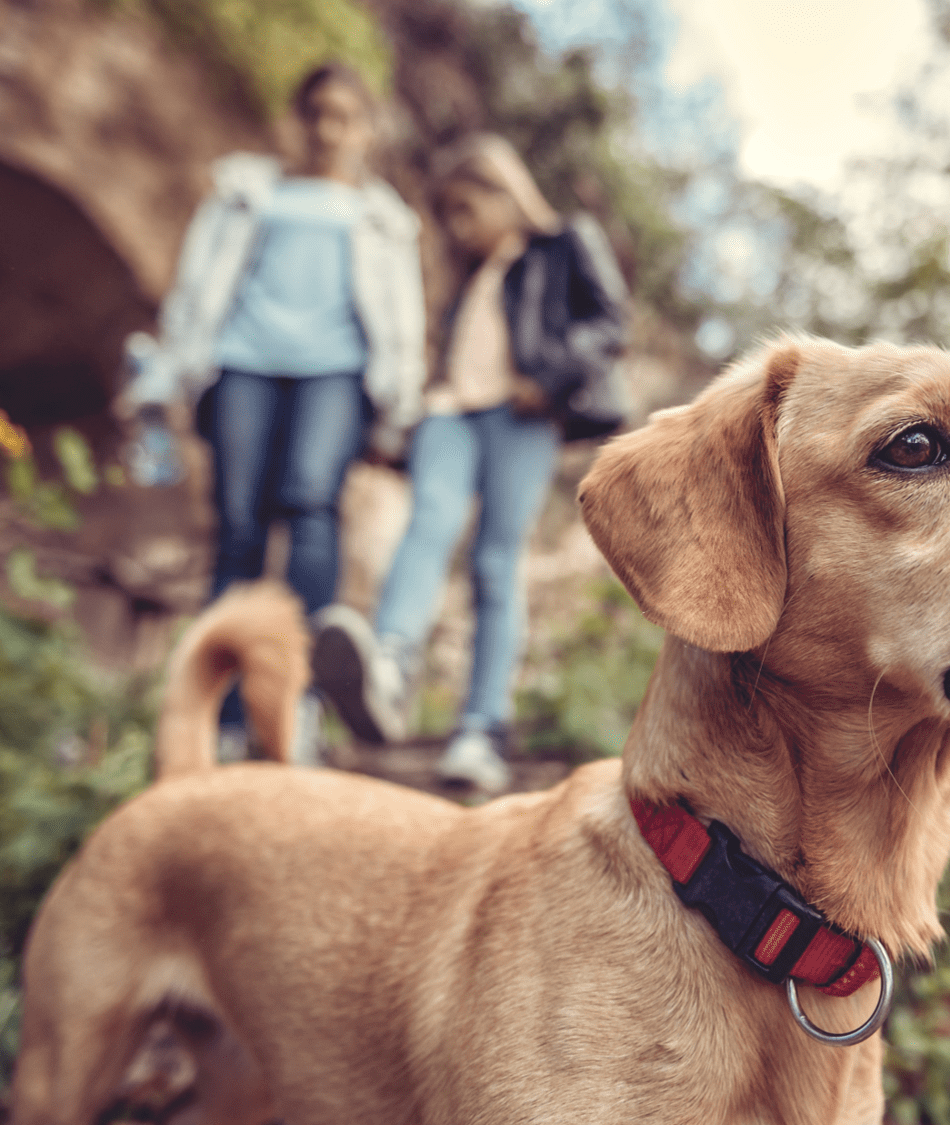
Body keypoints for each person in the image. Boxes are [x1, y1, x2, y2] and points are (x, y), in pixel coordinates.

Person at [119, 62, 426, 765]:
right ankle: (222, 716)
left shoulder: (384, 218)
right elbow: (196, 286)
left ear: (367, 130)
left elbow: (403, 318)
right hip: (242, 364)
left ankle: (298, 707)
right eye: (317, 113)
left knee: (312, 507)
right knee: (238, 527)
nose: (328, 130)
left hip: (337, 374)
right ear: (298, 118)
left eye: (345, 117)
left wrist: (399, 404)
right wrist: (171, 371)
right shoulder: (245, 192)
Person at [311, 133, 629, 793]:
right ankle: (389, 670)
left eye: (466, 209)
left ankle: (482, 729)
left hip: (521, 415)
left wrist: (550, 378)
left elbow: (609, 322)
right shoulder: (470, 278)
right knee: (428, 523)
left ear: (503, 191)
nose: (458, 228)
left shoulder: (564, 243)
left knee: (495, 561)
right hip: (450, 412)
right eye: (449, 215)